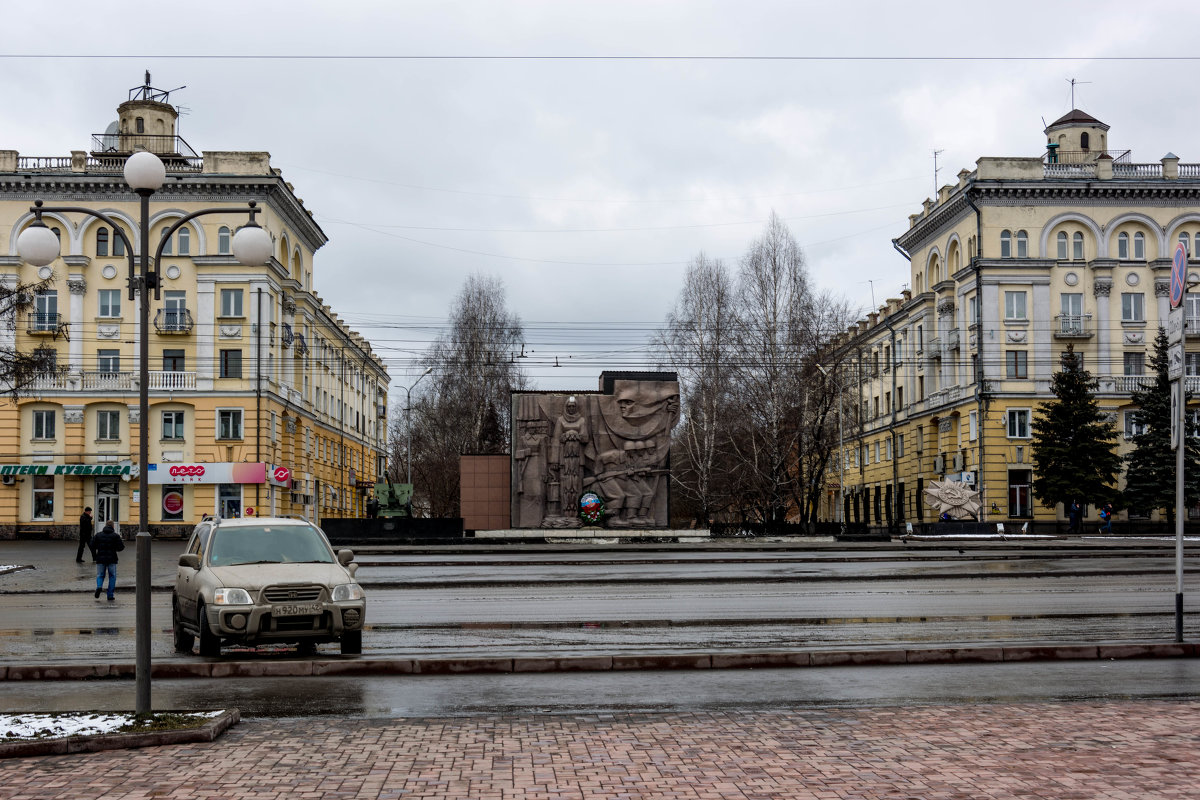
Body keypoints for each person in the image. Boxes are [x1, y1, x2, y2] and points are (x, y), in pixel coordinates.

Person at [91, 520, 124, 601]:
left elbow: (92, 545)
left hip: (100, 558)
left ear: (105, 526)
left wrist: (98, 549)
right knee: (112, 576)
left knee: (100, 575)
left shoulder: (98, 535)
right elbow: (121, 547)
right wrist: (114, 549)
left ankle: (99, 587)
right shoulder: (115, 536)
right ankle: (110, 595)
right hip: (112, 559)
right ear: (113, 526)